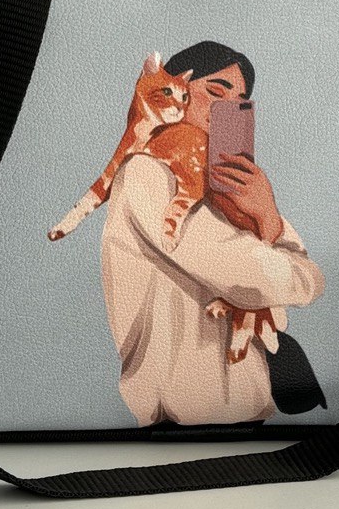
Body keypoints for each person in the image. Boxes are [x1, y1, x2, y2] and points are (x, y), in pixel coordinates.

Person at [100, 40, 326, 427]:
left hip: (250, 414)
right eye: (215, 93)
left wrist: (266, 213)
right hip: (177, 421)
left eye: (239, 103)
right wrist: (275, 247)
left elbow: (304, 280)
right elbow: (267, 279)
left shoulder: (233, 193)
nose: (226, 111)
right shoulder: (147, 175)